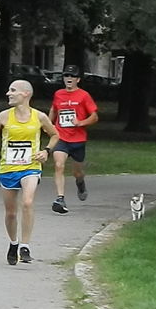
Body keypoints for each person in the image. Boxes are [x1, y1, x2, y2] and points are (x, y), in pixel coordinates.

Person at [0, 79, 59, 265]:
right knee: (11, 213)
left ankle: (25, 246)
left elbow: (55, 134)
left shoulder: (39, 117)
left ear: (26, 94)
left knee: (28, 201)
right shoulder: (4, 117)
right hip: (8, 168)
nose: (8, 93)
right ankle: (13, 243)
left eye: (13, 90)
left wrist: (46, 151)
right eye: (9, 90)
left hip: (30, 167)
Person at [48, 64, 99, 214]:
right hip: (61, 137)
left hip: (78, 139)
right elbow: (54, 109)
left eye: (72, 76)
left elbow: (95, 117)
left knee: (77, 172)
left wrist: (81, 122)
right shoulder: (58, 94)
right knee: (59, 165)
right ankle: (60, 198)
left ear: (78, 79)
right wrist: (48, 125)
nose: (69, 79)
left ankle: (80, 183)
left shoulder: (84, 95)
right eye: (66, 76)